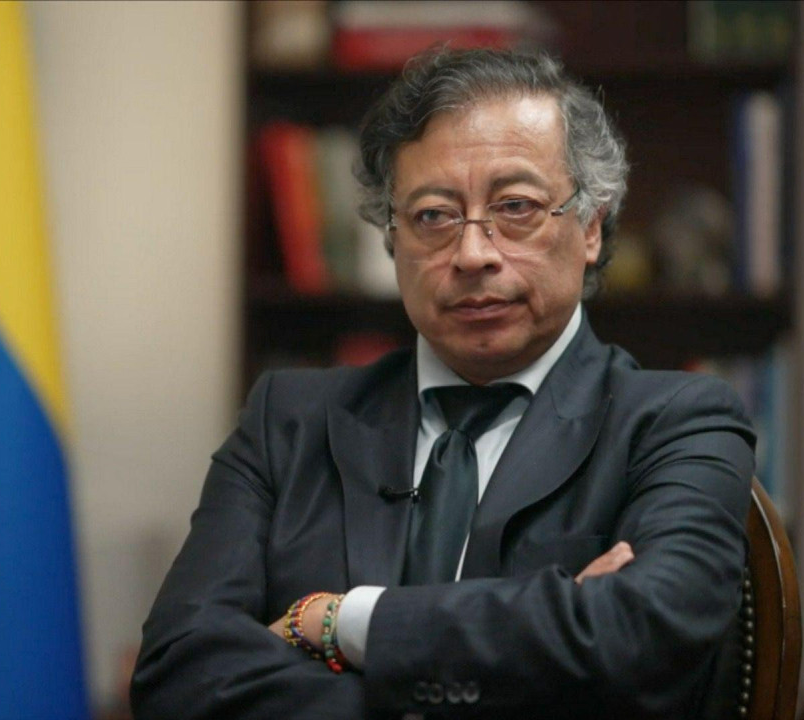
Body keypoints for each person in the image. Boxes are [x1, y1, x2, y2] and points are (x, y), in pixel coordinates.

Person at [131, 48, 755, 720]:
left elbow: (647, 631)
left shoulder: (678, 421)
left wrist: (346, 621)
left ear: (591, 227)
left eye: (516, 207)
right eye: (433, 215)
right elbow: (178, 676)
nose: (473, 253)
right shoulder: (289, 421)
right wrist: (551, 631)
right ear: (392, 237)